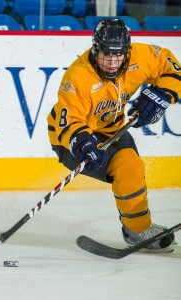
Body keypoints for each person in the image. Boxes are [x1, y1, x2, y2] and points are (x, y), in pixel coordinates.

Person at [47, 18, 181, 250]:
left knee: (132, 168)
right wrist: (82, 144)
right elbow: (68, 122)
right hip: (69, 139)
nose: (111, 61)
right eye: (105, 54)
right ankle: (138, 231)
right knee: (128, 166)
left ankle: (138, 230)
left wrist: (162, 94)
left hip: (112, 130)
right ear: (95, 49)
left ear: (127, 52)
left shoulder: (141, 56)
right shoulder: (78, 76)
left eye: (118, 55)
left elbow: (173, 68)